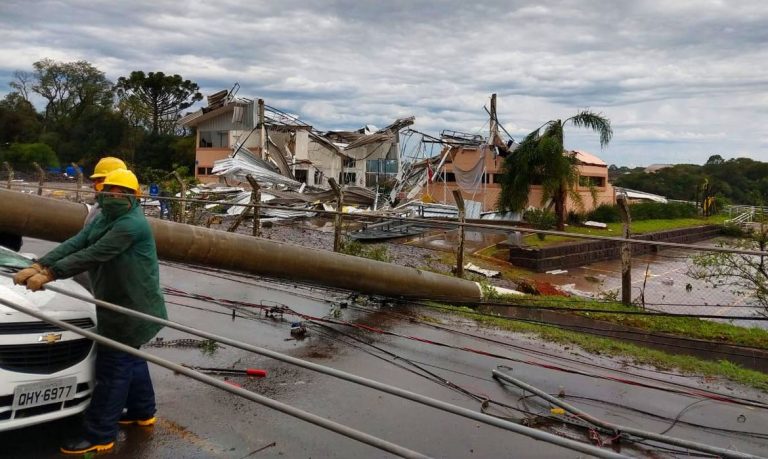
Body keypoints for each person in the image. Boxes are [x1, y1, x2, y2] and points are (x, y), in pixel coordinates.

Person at [13, 168, 167, 455]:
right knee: (132, 361)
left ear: (134, 197)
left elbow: (94, 253)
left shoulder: (131, 225)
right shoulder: (107, 217)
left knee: (113, 369)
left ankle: (99, 434)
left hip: (131, 308)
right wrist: (41, 264)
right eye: (110, 190)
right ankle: (142, 412)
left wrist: (51, 273)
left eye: (121, 192)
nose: (113, 195)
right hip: (123, 302)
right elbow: (79, 242)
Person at [84, 156, 127, 226]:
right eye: (95, 181)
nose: (94, 186)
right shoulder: (99, 206)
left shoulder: (122, 217)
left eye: (100, 181)